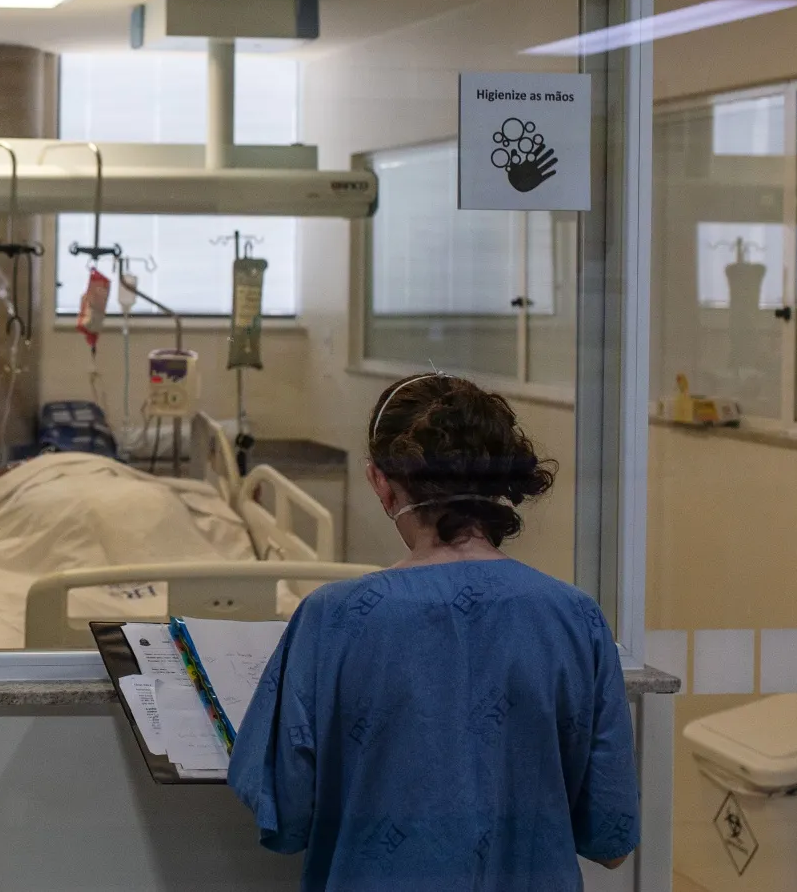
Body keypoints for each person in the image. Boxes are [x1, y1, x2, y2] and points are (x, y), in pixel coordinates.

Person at [228, 373, 639, 891]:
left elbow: (285, 817)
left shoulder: (332, 619)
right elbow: (611, 840)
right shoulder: (576, 619)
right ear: (500, 480)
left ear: (380, 481)